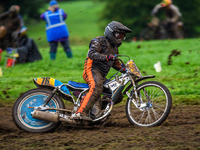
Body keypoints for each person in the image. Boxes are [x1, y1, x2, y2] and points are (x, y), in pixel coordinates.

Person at [72, 21, 132, 121]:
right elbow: (92, 54)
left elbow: (115, 63)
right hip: (91, 70)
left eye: (122, 37)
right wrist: (107, 57)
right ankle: (80, 113)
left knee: (117, 95)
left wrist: (126, 70)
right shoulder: (98, 41)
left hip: (101, 75)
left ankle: (96, 111)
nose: (120, 39)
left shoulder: (114, 48)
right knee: (96, 87)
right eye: (119, 35)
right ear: (111, 33)